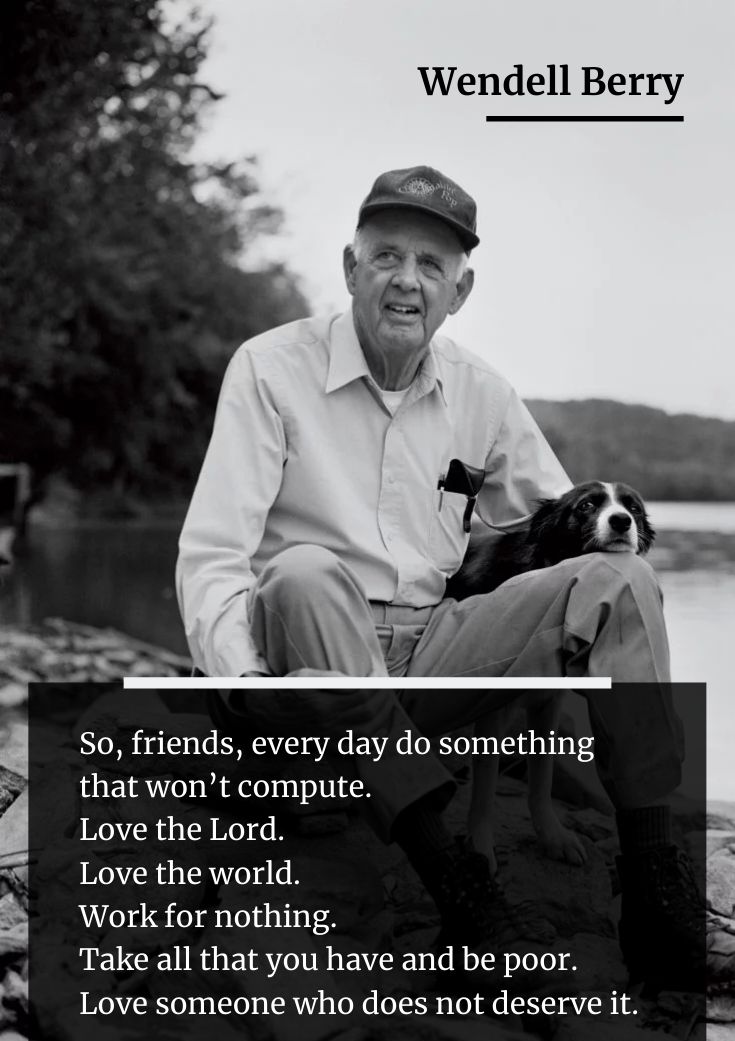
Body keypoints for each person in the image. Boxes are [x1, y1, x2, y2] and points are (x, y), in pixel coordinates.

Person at [176, 165, 702, 991]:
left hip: (430, 657)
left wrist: (598, 638)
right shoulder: (269, 368)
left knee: (617, 574)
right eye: (386, 257)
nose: (405, 281)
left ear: (460, 290)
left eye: (430, 265)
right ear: (350, 270)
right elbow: (212, 558)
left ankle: (658, 897)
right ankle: (461, 889)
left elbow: (565, 527)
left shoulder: (483, 394)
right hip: (307, 665)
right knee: (306, 572)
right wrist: (241, 684)